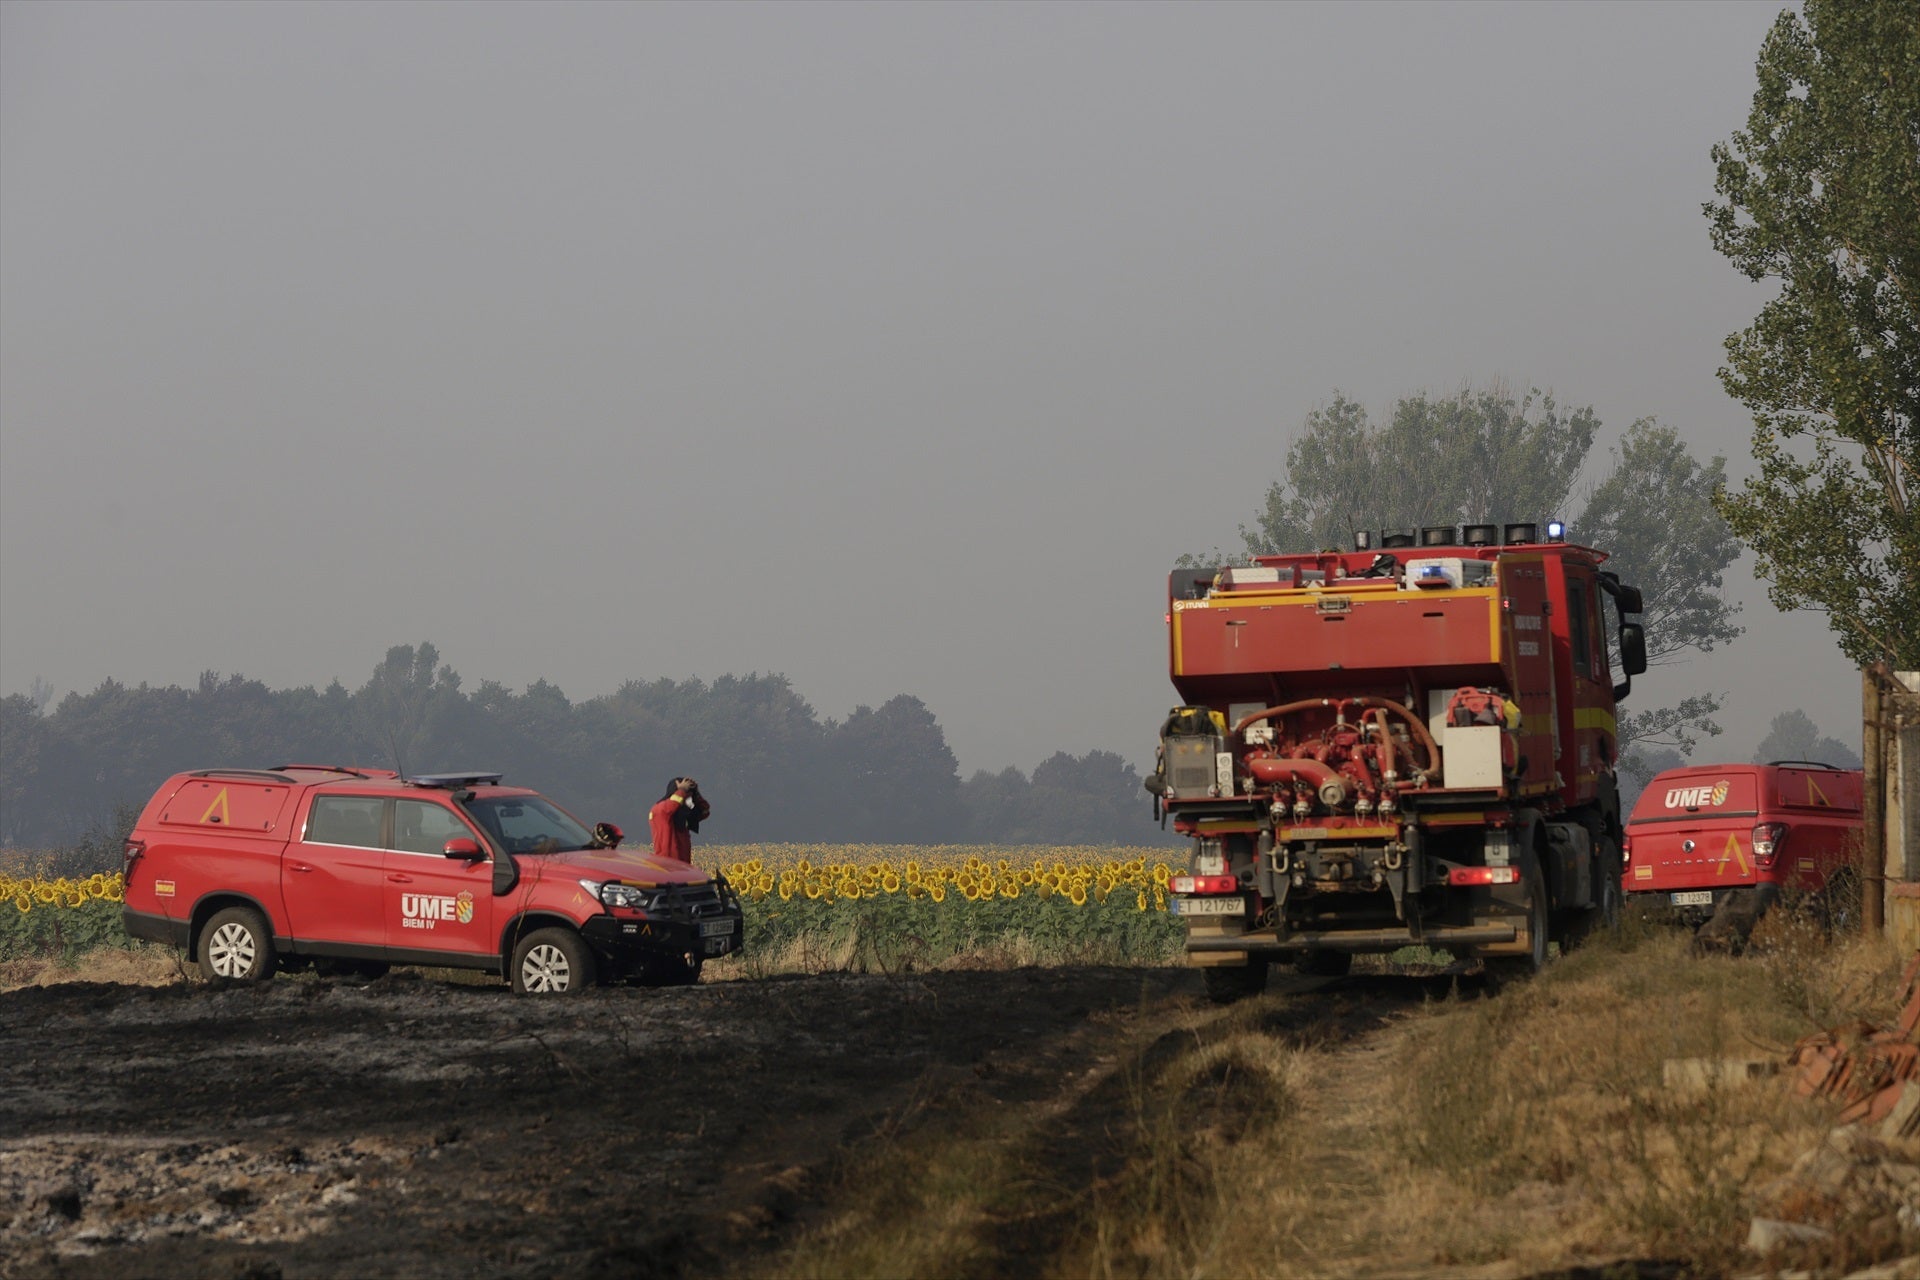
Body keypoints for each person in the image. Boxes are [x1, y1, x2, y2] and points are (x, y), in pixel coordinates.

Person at [649, 777, 710, 863]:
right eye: (684, 798)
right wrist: (682, 790)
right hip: (666, 867)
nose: (686, 802)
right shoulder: (659, 811)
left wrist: (696, 795)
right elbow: (670, 806)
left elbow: (704, 812)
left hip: (682, 868)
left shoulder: (682, 815)